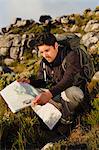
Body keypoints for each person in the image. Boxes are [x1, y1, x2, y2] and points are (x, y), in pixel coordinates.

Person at [19, 32, 89, 122]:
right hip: (59, 93)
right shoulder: (44, 62)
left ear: (56, 46)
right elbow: (42, 80)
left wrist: (48, 94)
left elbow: (68, 80)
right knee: (34, 92)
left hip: (77, 94)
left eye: (47, 50)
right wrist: (30, 82)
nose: (44, 55)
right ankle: (51, 119)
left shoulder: (71, 55)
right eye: (41, 52)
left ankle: (67, 119)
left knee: (70, 92)